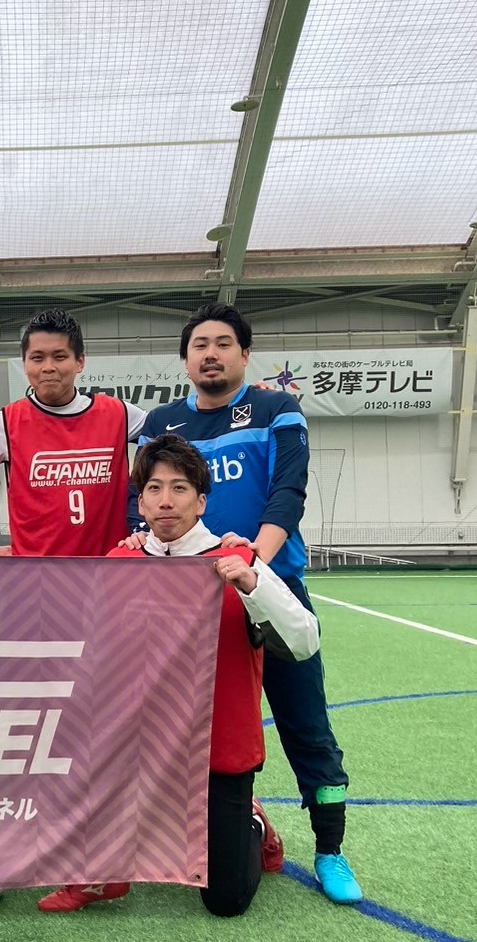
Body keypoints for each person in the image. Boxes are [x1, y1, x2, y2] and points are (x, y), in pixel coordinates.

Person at [129, 303, 362, 905]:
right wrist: (140, 543)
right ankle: (230, 821)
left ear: (245, 354)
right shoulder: (163, 421)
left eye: (223, 344)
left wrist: (252, 562)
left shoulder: (275, 408)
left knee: (306, 724)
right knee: (172, 726)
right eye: (199, 345)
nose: (211, 354)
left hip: (263, 591)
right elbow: (141, 500)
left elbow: (288, 491)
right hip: (184, 605)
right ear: (185, 359)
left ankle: (330, 849)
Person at [39, 434, 319, 917]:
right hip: (139, 746)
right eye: (153, 489)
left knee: (226, 901)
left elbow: (304, 641)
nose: (165, 501)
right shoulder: (121, 562)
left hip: (218, 749)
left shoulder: (238, 560)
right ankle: (102, 871)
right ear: (141, 502)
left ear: (201, 501)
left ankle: (253, 823)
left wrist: (253, 585)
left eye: (179, 488)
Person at [0, 308, 145, 557]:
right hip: (36, 574)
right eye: (37, 358)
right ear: (25, 364)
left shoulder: (120, 414)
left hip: (108, 570)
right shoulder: (4, 423)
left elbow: (168, 452)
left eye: (59, 356)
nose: (48, 367)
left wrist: (143, 526)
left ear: (80, 362)